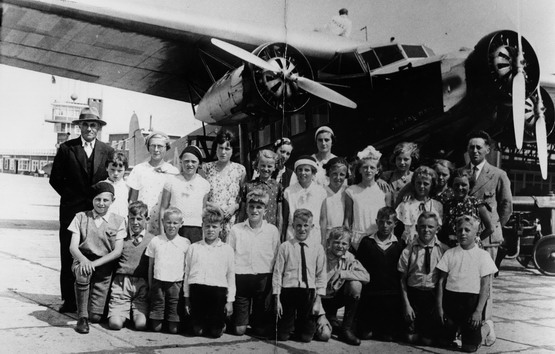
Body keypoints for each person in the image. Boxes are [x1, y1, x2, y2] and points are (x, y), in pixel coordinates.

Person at [50, 106, 114, 313]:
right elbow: (55, 179)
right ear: (79, 127)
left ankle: (95, 303)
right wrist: (72, 199)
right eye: (85, 124)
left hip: (98, 212)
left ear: (98, 128)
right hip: (72, 211)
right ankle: (69, 300)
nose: (89, 128)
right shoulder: (67, 148)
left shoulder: (107, 150)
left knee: (98, 252)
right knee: (69, 254)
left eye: (93, 125)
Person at [68, 181, 126, 334]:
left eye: (105, 200)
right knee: (82, 271)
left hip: (104, 264)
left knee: (96, 316)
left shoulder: (119, 221)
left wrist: (94, 264)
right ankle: (82, 317)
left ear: (112, 201)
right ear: (92, 199)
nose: (101, 203)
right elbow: (73, 247)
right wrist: (85, 261)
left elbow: (116, 252)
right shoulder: (81, 217)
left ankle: (90, 312)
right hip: (83, 259)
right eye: (97, 199)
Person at [436, 215, 498, 353]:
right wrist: (440, 308)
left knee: (469, 348)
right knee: (442, 342)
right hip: (451, 301)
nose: (462, 233)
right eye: (459, 230)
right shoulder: (450, 254)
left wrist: (478, 311)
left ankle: (486, 327)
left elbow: (485, 287)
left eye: (467, 230)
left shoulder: (483, 256)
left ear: (476, 232)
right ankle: (456, 331)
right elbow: (441, 282)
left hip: (471, 303)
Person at [228, 190, 280, 336]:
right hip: (242, 279)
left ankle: (258, 320)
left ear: (265, 209)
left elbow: (276, 258)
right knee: (239, 330)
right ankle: (240, 319)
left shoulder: (272, 231)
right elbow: (230, 258)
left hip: (263, 280)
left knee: (260, 330)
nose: (254, 210)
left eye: (259, 207)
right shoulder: (236, 229)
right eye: (251, 207)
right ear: (246, 208)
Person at [273, 209, 327, 343]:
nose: (302, 229)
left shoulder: (317, 248)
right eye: (298, 225)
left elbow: (321, 275)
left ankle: (304, 327)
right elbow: (278, 273)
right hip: (288, 292)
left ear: (312, 227)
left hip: (308, 292)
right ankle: (288, 326)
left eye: (306, 226)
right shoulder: (286, 246)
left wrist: (318, 301)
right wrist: (277, 298)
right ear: (293, 226)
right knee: (283, 337)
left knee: (306, 338)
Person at [184, 205, 235, 338]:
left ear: (220, 227)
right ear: (202, 226)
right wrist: (187, 298)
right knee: (197, 332)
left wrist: (229, 301)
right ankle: (200, 322)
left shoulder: (227, 250)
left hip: (217, 293)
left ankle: (220, 324)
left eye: (214, 226)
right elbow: (187, 274)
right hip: (198, 291)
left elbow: (230, 277)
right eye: (207, 226)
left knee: (215, 333)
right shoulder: (194, 248)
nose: (210, 230)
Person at [356, 206, 405, 341]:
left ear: (395, 224)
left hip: (391, 298)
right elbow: (359, 269)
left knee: (388, 337)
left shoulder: (400, 244)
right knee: (366, 335)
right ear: (376, 222)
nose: (385, 226)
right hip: (370, 297)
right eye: (382, 222)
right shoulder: (366, 242)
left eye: (389, 222)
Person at [462, 130, 512, 262]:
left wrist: (494, 226)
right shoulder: (459, 173)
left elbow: (506, 206)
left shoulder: (498, 175)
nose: (475, 150)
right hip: (464, 236)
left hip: (487, 239)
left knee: (485, 279)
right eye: (471, 147)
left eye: (479, 147)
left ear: (488, 149)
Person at [398, 212, 447, 345]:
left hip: (432, 296)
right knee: (410, 339)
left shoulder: (443, 250)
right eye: (422, 226)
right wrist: (407, 305)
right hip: (413, 295)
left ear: (437, 229)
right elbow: (402, 280)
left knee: (427, 340)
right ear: (417, 228)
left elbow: (443, 281)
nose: (426, 230)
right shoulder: (408, 250)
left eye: (430, 227)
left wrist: (439, 306)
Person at [315, 227, 369, 346]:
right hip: (318, 301)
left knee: (355, 284)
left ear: (349, 245)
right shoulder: (320, 256)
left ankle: (346, 329)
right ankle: (325, 320)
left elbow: (366, 277)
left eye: (344, 243)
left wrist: (343, 274)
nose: (340, 246)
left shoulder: (348, 257)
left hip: (335, 299)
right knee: (325, 335)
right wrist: (321, 314)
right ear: (329, 242)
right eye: (336, 242)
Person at [108, 201, 155, 331]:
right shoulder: (122, 238)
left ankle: (134, 314)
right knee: (115, 324)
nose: (135, 222)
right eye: (132, 218)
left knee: (141, 325)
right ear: (128, 218)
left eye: (139, 219)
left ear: (147, 219)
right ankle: (121, 314)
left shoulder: (152, 240)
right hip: (122, 284)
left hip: (142, 286)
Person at [146, 207, 190, 334]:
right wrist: (150, 287)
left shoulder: (185, 243)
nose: (171, 226)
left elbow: (187, 270)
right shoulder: (156, 241)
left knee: (174, 329)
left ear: (181, 224)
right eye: (168, 222)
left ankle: (172, 320)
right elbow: (151, 266)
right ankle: (158, 319)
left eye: (175, 223)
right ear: (163, 222)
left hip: (176, 285)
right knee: (156, 328)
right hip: (158, 284)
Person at [128, 131, 179, 236]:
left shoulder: (173, 172)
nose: (156, 150)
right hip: (141, 222)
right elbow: (132, 199)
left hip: (164, 224)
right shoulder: (139, 169)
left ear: (166, 147)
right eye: (153, 146)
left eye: (160, 146)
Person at [202, 130, 246, 241]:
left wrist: (234, 207)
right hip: (212, 220)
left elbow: (243, 197)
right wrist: (215, 207)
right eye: (220, 148)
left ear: (232, 150)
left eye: (227, 149)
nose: (223, 152)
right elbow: (201, 198)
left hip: (232, 220)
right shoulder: (207, 168)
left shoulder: (240, 170)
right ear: (216, 148)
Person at [160, 145, 210, 243]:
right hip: (174, 228)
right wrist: (162, 232)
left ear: (199, 163)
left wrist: (204, 235)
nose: (189, 164)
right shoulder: (171, 181)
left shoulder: (204, 184)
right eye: (186, 161)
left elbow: (203, 210)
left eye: (193, 161)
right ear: (181, 161)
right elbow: (163, 208)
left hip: (196, 230)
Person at [344, 146, 388, 251]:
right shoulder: (351, 191)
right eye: (365, 167)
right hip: (358, 240)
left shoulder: (384, 190)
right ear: (359, 170)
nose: (368, 170)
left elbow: (389, 217)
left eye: (372, 167)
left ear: (377, 170)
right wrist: (347, 238)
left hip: (379, 239)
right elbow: (348, 218)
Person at [439, 169, 494, 248]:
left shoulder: (477, 204)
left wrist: (476, 240)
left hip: (472, 248)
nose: (460, 188)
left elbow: (490, 228)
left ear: (470, 186)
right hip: (451, 248)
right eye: (456, 185)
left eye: (464, 185)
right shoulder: (448, 205)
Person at [283, 156, 327, 246]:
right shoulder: (288, 191)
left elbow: (323, 219)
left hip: (314, 235)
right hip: (293, 235)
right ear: (296, 172)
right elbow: (284, 219)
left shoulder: (320, 191)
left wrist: (323, 241)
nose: (303, 173)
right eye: (300, 170)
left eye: (307, 170)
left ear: (313, 172)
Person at [395, 166, 443, 244]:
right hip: (409, 246)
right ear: (414, 183)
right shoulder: (406, 204)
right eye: (418, 183)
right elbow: (398, 230)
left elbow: (439, 230)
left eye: (426, 184)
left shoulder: (437, 205)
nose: (421, 186)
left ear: (432, 185)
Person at [238, 150, 282, 229]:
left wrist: (279, 233)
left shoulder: (278, 187)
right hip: (250, 230)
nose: (266, 169)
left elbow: (279, 215)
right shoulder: (248, 186)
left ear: (275, 167)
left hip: (270, 230)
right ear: (257, 165)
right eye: (263, 165)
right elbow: (242, 212)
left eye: (269, 166)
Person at [319, 157, 349, 243]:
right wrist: (323, 240)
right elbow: (322, 219)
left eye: (342, 174)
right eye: (334, 174)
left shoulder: (348, 192)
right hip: (326, 236)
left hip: (342, 238)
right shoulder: (321, 192)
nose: (338, 177)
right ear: (328, 173)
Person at [381, 142, 419, 206]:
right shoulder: (387, 176)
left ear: (412, 159)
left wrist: (413, 192)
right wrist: (379, 180)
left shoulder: (416, 177)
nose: (402, 162)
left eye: (406, 159)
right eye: (399, 159)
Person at [104, 151, 129, 219]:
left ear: (125, 170)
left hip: (123, 222)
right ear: (107, 168)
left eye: (119, 170)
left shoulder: (127, 186)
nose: (115, 173)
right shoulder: (102, 185)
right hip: (106, 222)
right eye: (112, 169)